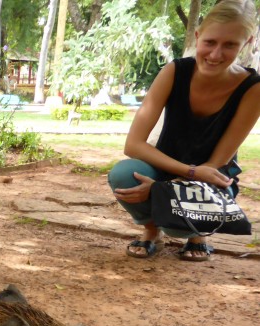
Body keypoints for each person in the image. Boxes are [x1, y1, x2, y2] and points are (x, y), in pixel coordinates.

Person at [109, 0, 260, 261]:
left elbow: (216, 163)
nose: (215, 54)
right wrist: (167, 184)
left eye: (230, 45)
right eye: (210, 42)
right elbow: (133, 144)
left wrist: (162, 190)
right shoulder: (174, 71)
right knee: (123, 174)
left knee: (177, 226)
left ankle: (197, 235)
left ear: (246, 43)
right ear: (198, 36)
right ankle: (151, 230)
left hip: (211, 179)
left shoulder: (253, 88)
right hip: (166, 165)